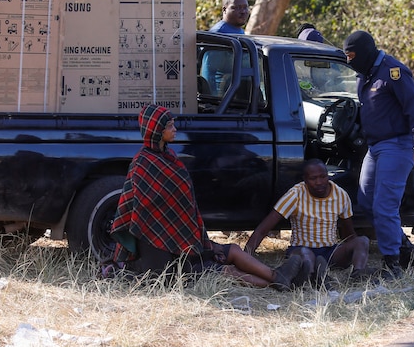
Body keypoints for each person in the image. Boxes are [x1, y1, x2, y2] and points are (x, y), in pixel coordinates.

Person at [108, 103, 302, 289]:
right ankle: (280, 282)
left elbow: (185, 210)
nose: (175, 129)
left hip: (185, 240)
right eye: (169, 126)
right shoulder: (142, 164)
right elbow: (135, 212)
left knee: (232, 250)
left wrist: (202, 243)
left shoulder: (169, 157)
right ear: (156, 130)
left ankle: (278, 276)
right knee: (226, 271)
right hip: (161, 251)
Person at [343, 30, 414, 279]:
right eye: (346, 57)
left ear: (365, 52)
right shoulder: (366, 72)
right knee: (367, 201)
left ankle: (392, 264)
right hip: (374, 147)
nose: (349, 62)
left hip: (398, 144)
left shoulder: (394, 72)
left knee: (384, 206)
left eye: (352, 56)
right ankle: (405, 249)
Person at [245, 159, 371, 286]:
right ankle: (312, 277)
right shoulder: (295, 194)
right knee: (305, 255)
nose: (319, 182)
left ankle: (358, 275)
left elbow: (348, 232)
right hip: (302, 248)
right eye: (313, 178)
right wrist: (245, 258)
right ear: (304, 179)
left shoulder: (341, 195)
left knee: (363, 241)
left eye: (323, 177)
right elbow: (264, 228)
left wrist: (357, 252)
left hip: (330, 251)